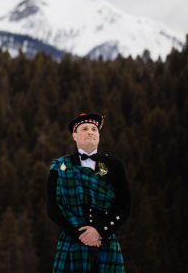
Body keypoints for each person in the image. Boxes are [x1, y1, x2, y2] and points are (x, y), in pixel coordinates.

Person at [47, 113, 131, 273]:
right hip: (72, 242)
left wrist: (99, 231)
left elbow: (124, 206)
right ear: (74, 135)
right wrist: (81, 235)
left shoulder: (115, 165)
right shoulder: (60, 166)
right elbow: (53, 208)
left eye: (94, 129)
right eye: (84, 129)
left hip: (105, 241)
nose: (90, 132)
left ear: (99, 135)